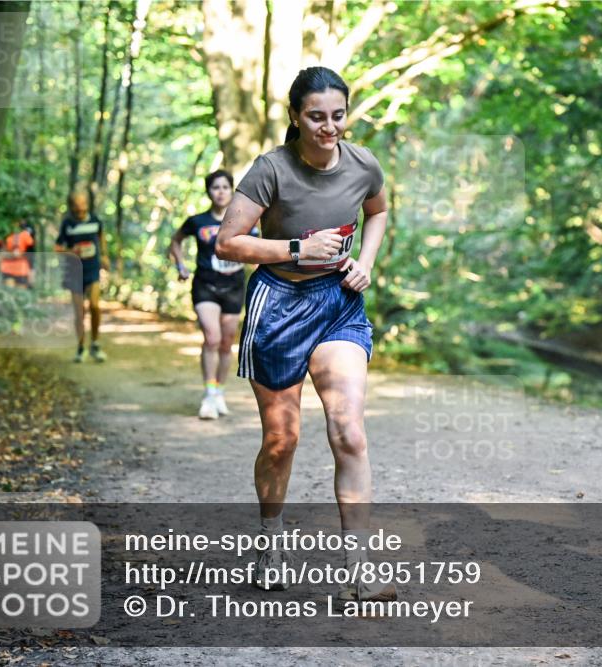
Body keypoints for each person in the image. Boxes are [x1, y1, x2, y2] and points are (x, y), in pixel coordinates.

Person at [215, 66, 393, 604]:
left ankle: (359, 568)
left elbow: (379, 211)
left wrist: (365, 261)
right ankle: (271, 544)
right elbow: (228, 242)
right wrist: (295, 250)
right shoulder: (271, 169)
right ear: (295, 116)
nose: (329, 127)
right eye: (316, 117)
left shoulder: (363, 163)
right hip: (279, 305)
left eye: (338, 116)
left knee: (350, 432)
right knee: (281, 440)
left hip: (339, 304)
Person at [169, 170, 258, 419]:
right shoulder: (197, 221)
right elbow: (175, 241)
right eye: (215, 187)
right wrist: (180, 265)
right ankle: (208, 394)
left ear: (232, 191)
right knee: (212, 337)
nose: (220, 192)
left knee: (226, 342)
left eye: (225, 187)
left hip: (234, 287)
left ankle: (219, 392)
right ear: (208, 192)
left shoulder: (247, 222)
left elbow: (261, 249)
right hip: (205, 285)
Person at [56, 192, 110, 362]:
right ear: (72, 207)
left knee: (95, 305)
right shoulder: (68, 224)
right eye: (76, 206)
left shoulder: (95, 221)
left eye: (83, 205)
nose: (80, 209)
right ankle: (81, 347)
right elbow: (57, 247)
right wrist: (71, 252)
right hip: (74, 271)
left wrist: (104, 256)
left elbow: (101, 238)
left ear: (86, 204)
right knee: (79, 312)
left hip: (93, 269)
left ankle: (95, 343)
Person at [0, 218, 35, 288]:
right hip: (9, 269)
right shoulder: (3, 236)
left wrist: (31, 271)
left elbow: (30, 253)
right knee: (10, 293)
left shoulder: (25, 236)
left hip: (21, 270)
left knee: (18, 293)